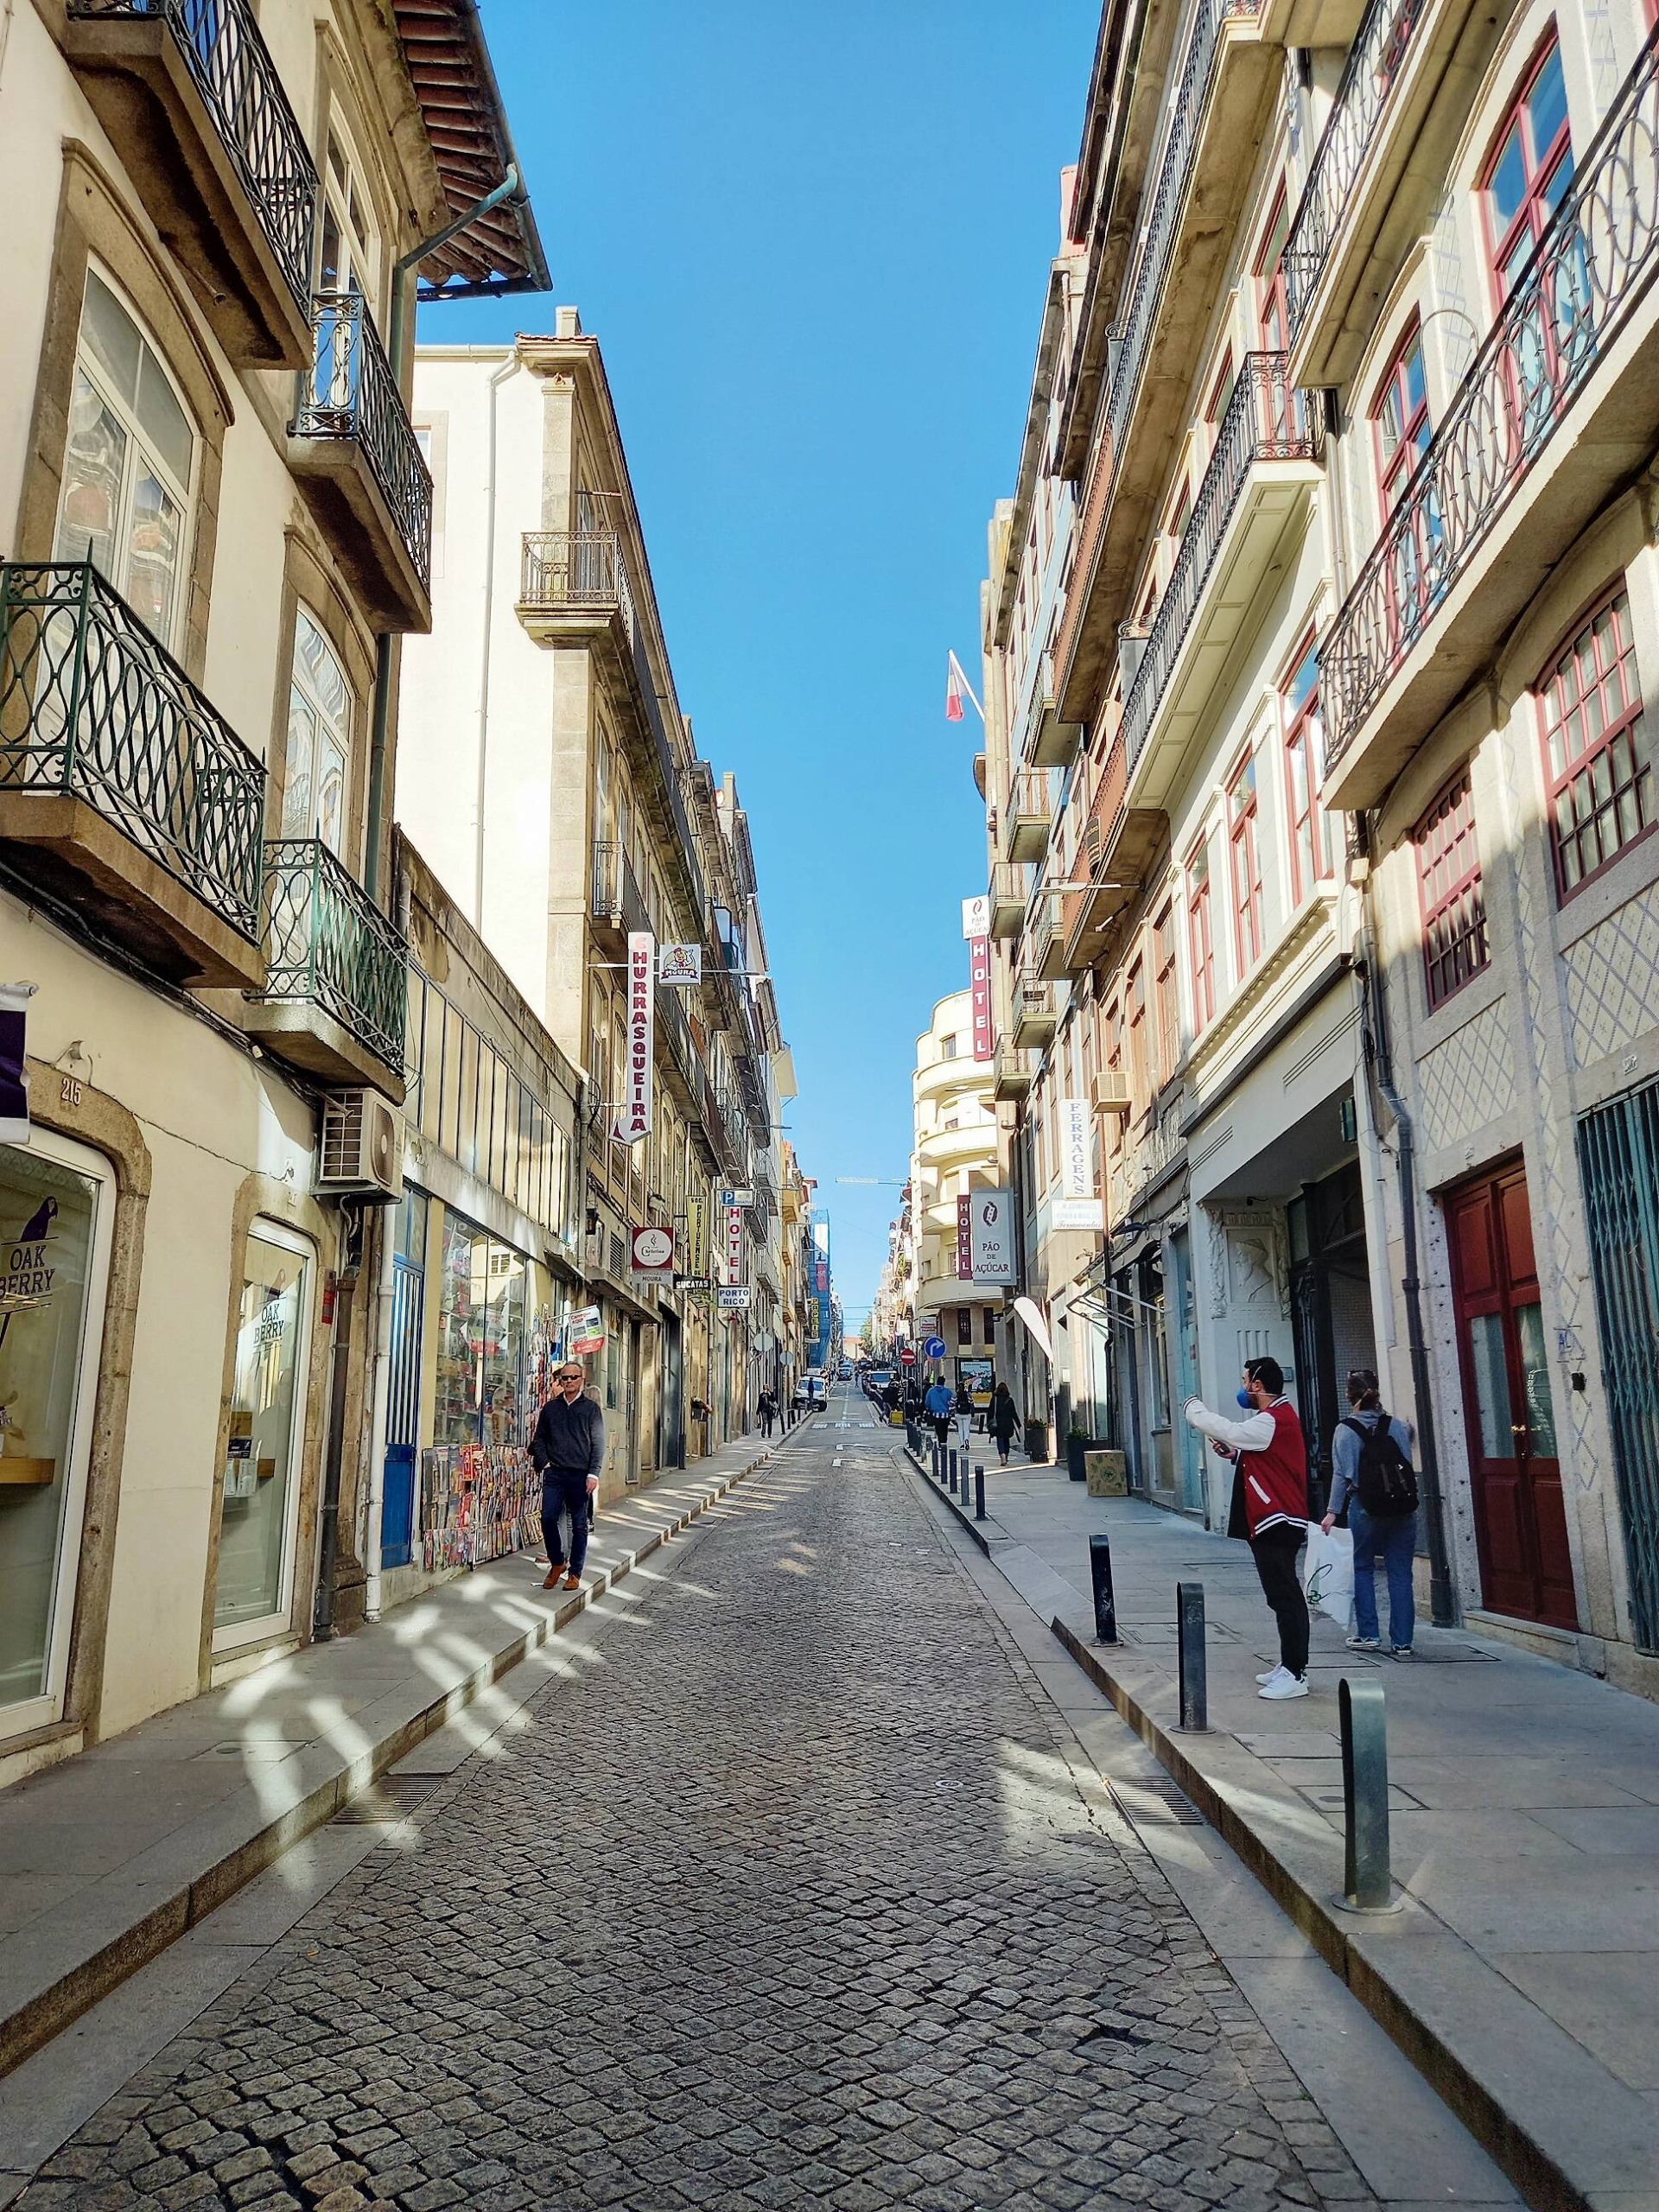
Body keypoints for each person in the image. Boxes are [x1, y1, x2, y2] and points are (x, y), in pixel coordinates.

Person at [1183, 1357, 1311, 1700]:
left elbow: (1234, 1432)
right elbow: (1270, 1459)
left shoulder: (1272, 1420)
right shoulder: (1273, 1420)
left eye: (1244, 1381)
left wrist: (1195, 1412)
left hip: (1278, 1518)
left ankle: (1297, 1673)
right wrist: (1236, 1456)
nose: (1242, 1388)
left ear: (1257, 1385)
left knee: (1285, 1596)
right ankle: (1288, 1665)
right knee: (1279, 1595)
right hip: (1272, 1518)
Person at [1322, 1368, 1418, 1658]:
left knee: (1362, 1568)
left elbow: (1341, 1475)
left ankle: (1369, 1634)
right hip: (1402, 1507)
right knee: (1400, 1572)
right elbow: (1406, 1466)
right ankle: (1403, 1642)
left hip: (1364, 1505)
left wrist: (1331, 1512)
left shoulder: (1346, 1430)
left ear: (1349, 1396)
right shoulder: (1398, 1426)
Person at [529, 1360, 605, 1592]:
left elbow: (598, 1443)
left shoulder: (591, 1409)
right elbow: (539, 1439)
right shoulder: (551, 1408)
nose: (569, 1381)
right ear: (560, 1381)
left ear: (581, 1380)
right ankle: (557, 1562)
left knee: (580, 1525)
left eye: (573, 1377)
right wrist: (545, 1463)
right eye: (565, 1378)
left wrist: (593, 1473)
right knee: (548, 1518)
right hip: (555, 1473)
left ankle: (575, 1573)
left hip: (580, 1475)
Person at [991, 1382, 1019, 1467]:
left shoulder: (995, 1400)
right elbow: (1013, 1413)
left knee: (1000, 1440)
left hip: (999, 1423)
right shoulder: (1009, 1400)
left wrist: (989, 1423)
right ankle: (1006, 1455)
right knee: (1006, 1440)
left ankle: (1002, 1455)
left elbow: (990, 1413)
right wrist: (1018, 1424)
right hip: (1008, 1423)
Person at [924, 1375, 953, 1446]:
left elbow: (927, 1403)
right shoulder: (948, 1392)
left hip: (935, 1415)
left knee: (938, 1430)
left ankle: (940, 1443)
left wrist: (929, 1408)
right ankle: (944, 1442)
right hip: (946, 1415)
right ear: (944, 1383)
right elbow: (952, 1402)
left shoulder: (931, 1391)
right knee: (944, 1430)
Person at [953, 1382, 975, 1457]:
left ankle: (962, 1444)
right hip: (967, 1413)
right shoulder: (968, 1395)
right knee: (966, 1428)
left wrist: (953, 1412)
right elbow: (972, 1403)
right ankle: (966, 1439)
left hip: (958, 1414)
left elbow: (952, 1403)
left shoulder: (956, 1395)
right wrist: (972, 1413)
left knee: (960, 1429)